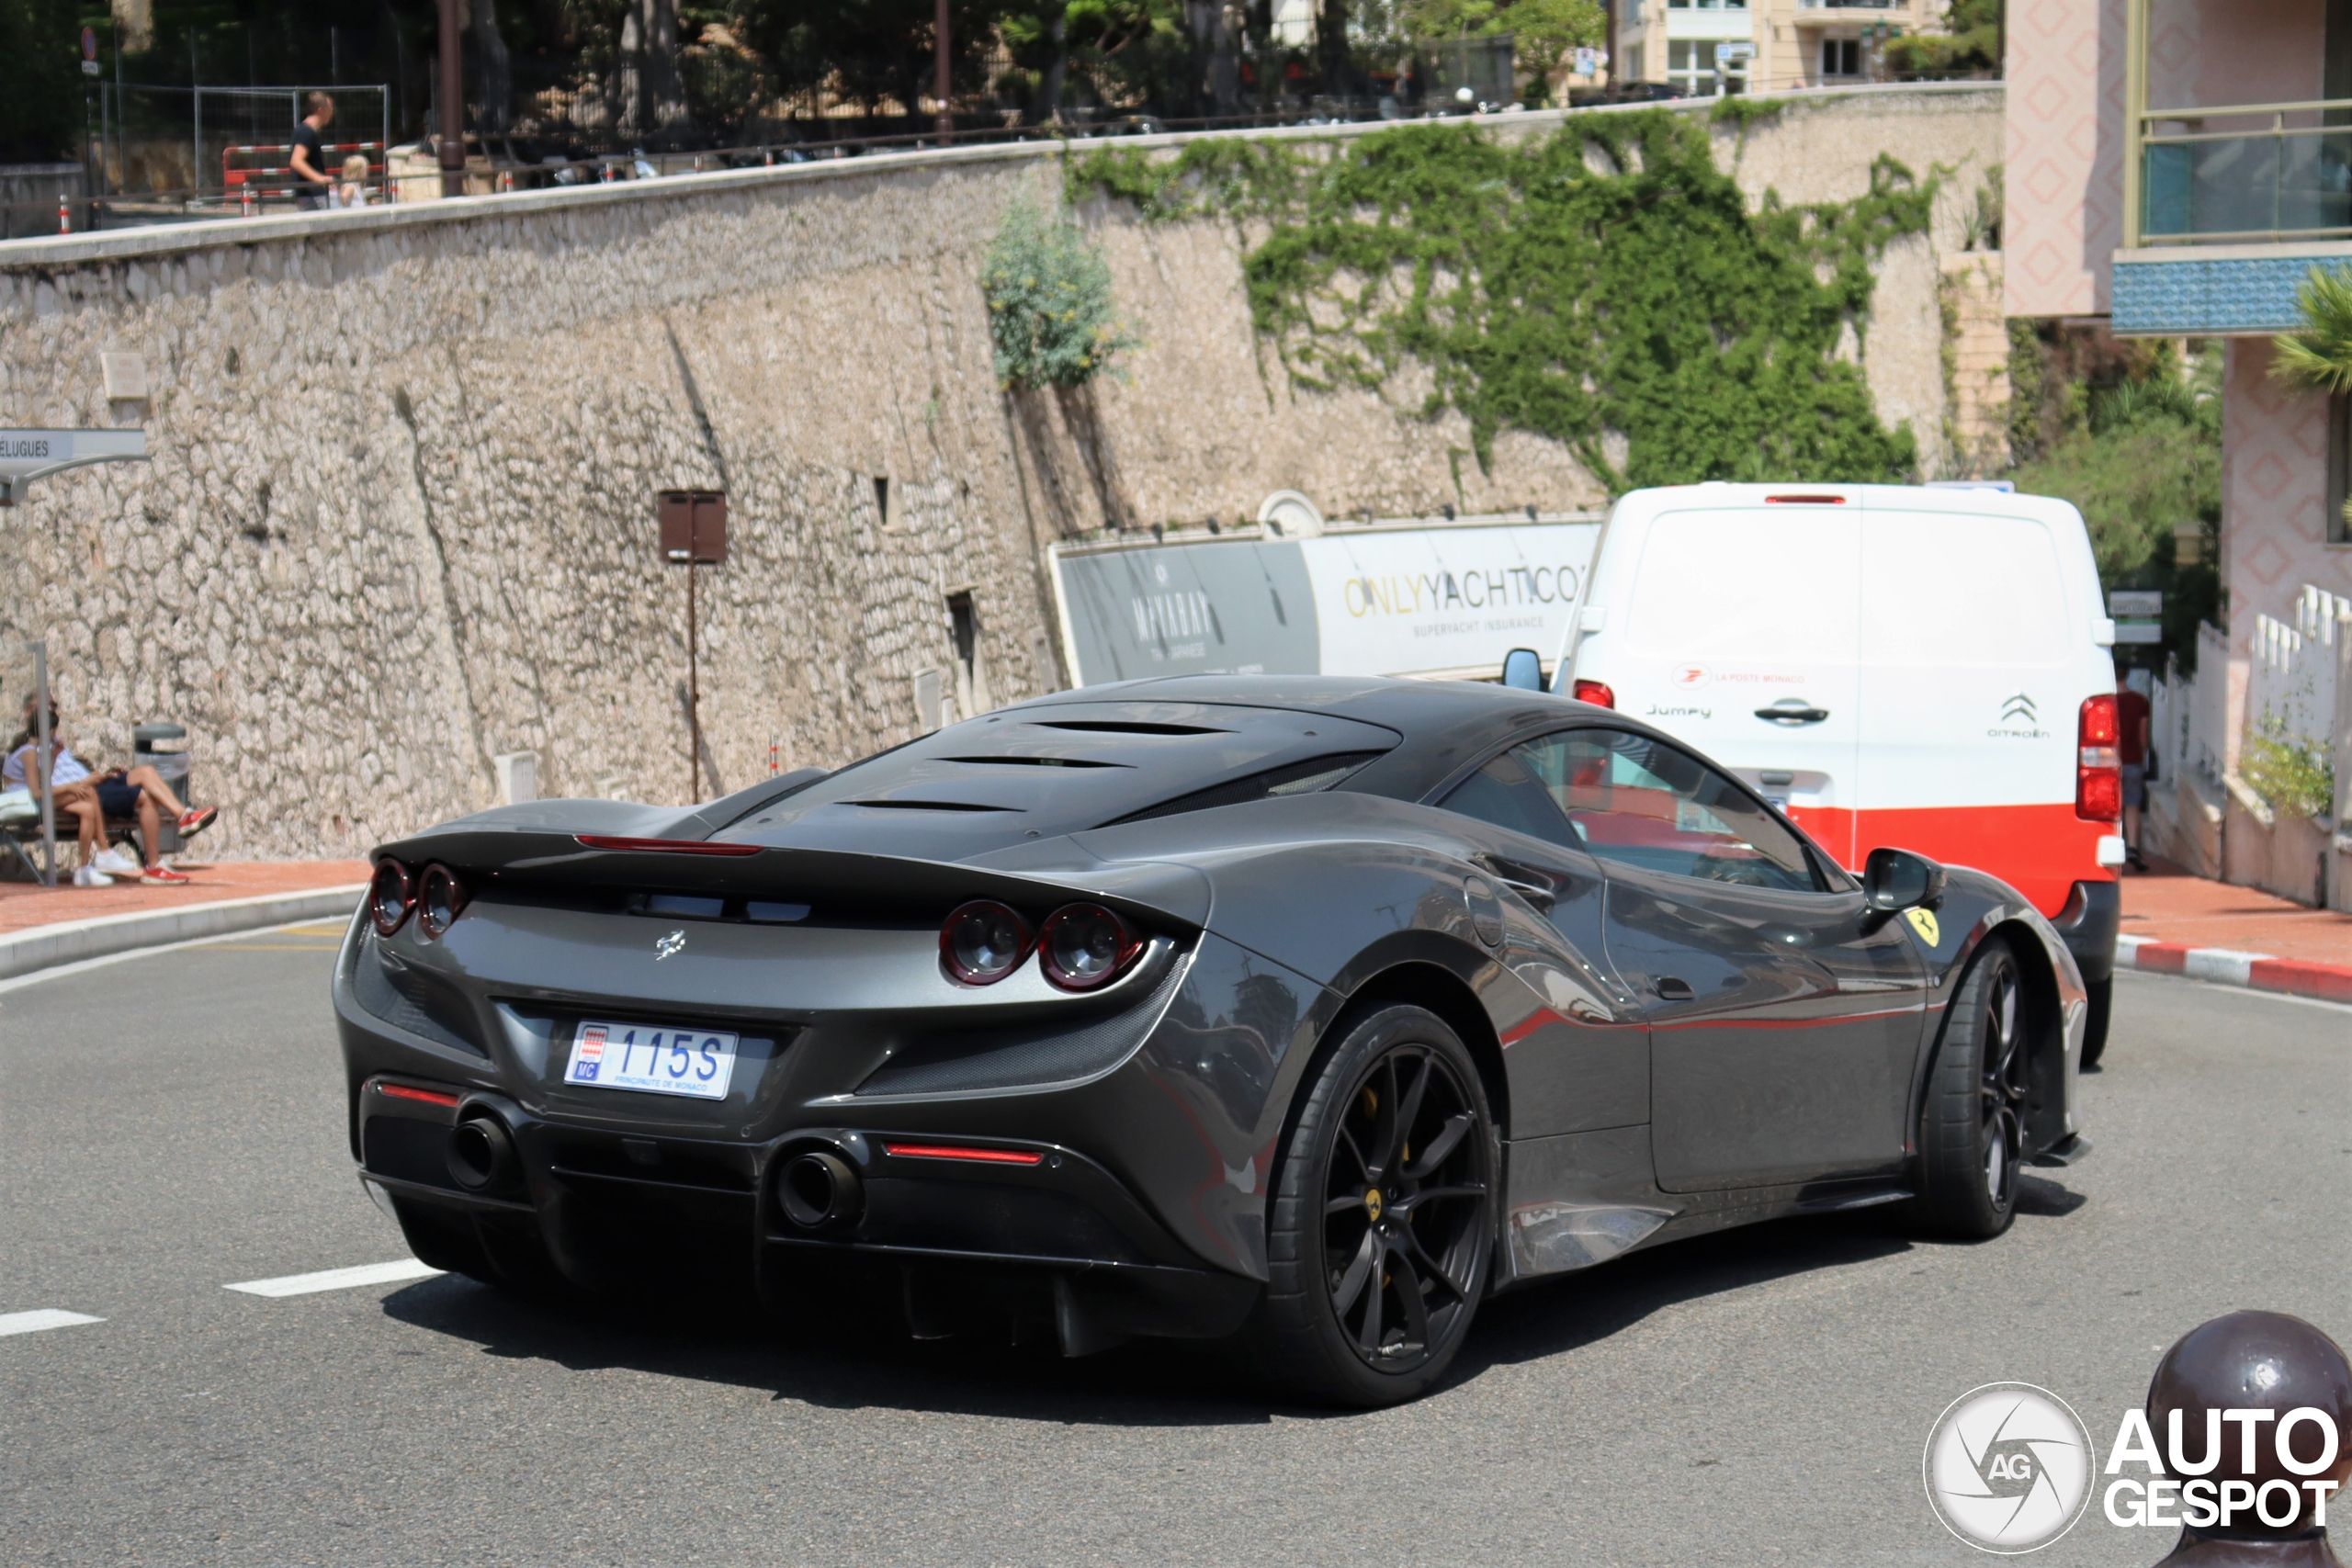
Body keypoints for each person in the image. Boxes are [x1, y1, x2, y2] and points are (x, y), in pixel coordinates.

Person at [2116, 670, 2152, 871]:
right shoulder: (2140, 701)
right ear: (2127, 675)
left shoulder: (2105, 701)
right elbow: (2143, 736)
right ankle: (2133, 848)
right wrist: (2143, 759)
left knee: (2113, 808)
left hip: (2109, 764)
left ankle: (2115, 846)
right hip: (2133, 762)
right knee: (2132, 806)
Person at [290, 92, 335, 211]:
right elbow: (296, 161)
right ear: (320, 110)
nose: (331, 113)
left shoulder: (306, 131)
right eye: (330, 109)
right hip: (312, 195)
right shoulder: (306, 132)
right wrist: (320, 178)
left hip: (310, 193)